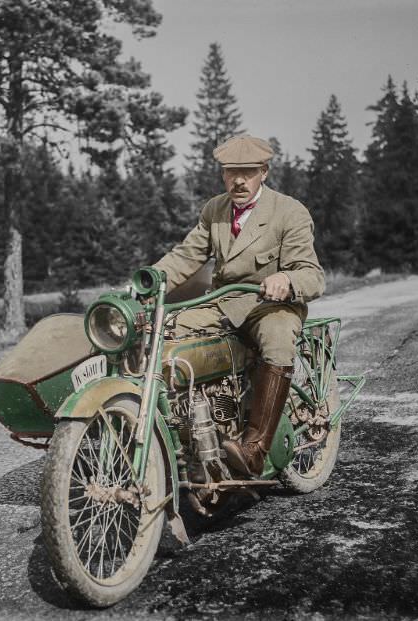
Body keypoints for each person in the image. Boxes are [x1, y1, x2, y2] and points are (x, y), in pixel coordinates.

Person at [153, 134, 325, 477]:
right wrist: (146, 283)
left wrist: (287, 281)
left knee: (277, 339)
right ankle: (186, 427)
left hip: (270, 305)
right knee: (163, 328)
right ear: (223, 174)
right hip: (223, 303)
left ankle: (255, 450)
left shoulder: (289, 211)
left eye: (248, 172)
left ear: (265, 171)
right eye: (232, 172)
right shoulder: (215, 210)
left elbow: (312, 275)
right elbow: (186, 257)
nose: (239, 180)